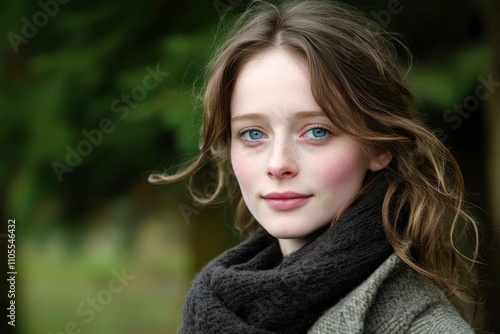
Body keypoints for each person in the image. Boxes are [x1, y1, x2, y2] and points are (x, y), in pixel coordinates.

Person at [149, 0, 483, 332]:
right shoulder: (212, 305)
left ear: (378, 146)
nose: (278, 164)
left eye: (317, 131)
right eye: (252, 134)